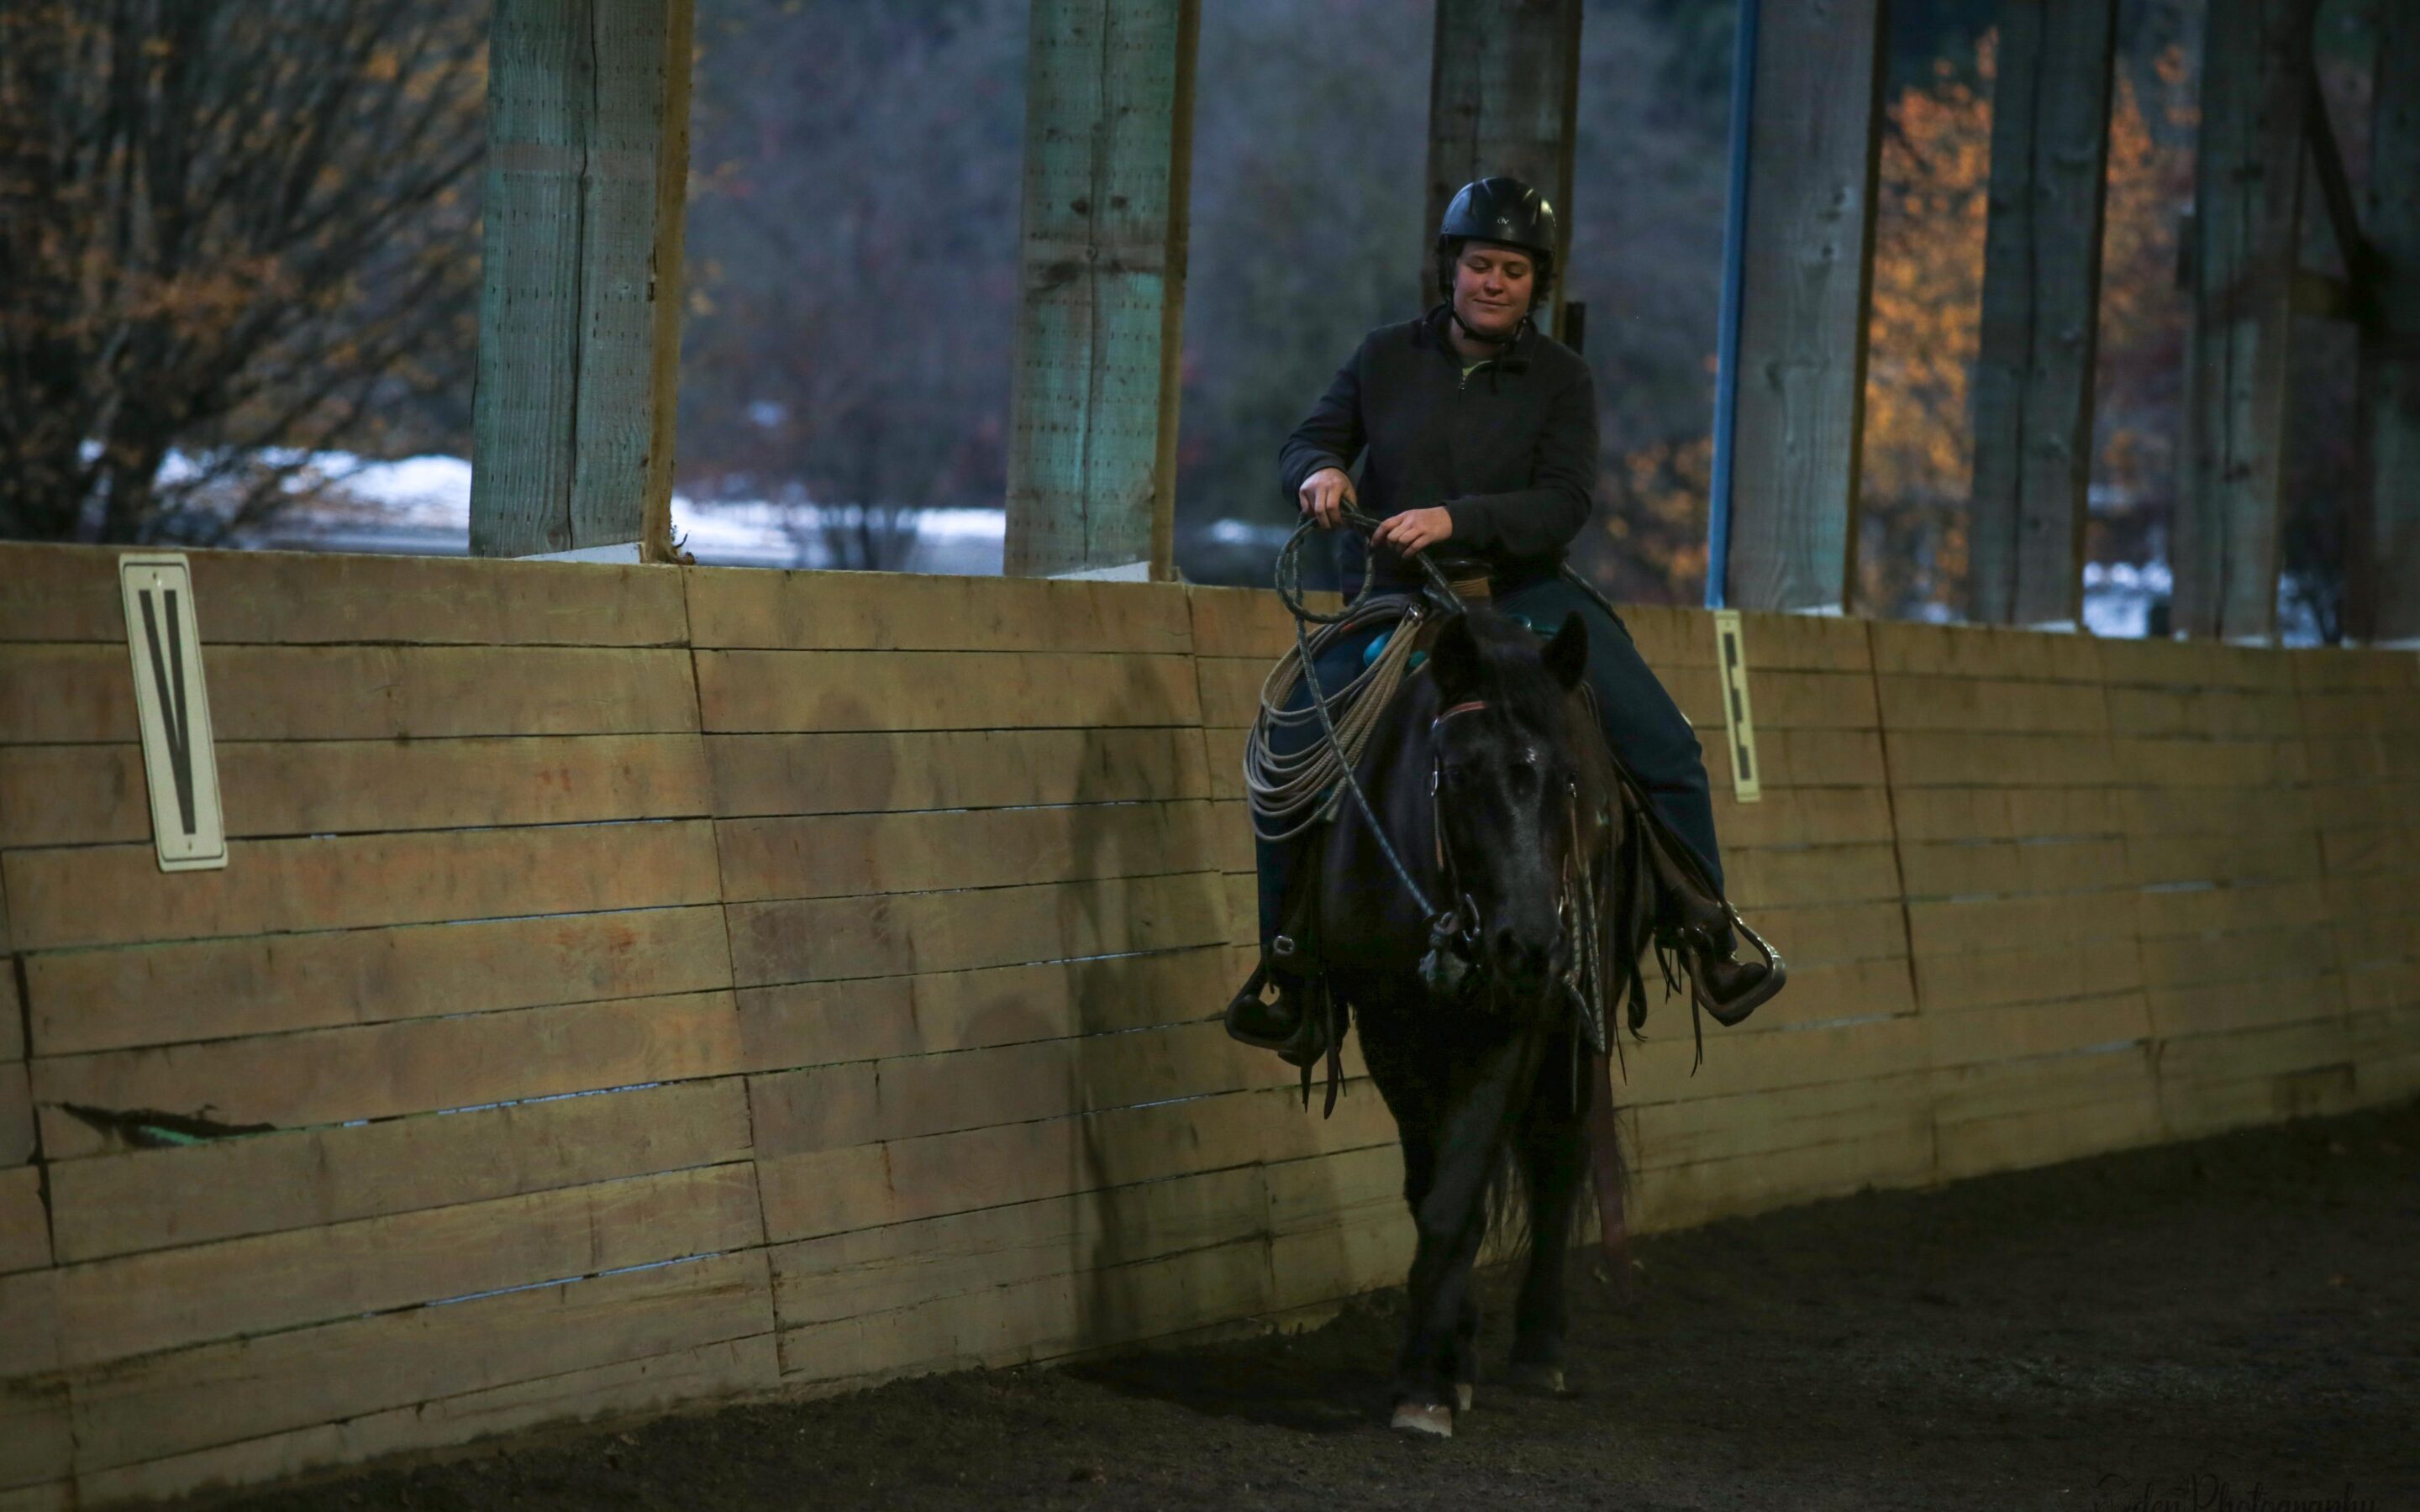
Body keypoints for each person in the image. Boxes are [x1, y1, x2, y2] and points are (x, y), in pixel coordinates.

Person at [1226, 175, 1778, 1063]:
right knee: (1293, 745)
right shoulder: (1381, 357)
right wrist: (1319, 472)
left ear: (1535, 284)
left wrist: (1458, 519)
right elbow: (1310, 436)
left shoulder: (1563, 380)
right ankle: (1291, 965)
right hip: (1400, 600)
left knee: (1665, 744)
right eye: (1480, 264)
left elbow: (1564, 503)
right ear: (1451, 269)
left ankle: (1708, 932)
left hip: (1522, 594)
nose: (1494, 282)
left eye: (1514, 270)